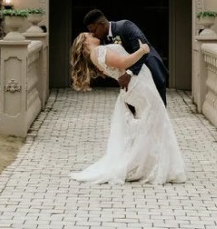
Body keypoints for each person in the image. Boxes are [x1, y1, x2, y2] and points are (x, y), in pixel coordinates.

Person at [69, 32, 186, 185]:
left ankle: (149, 164)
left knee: (151, 124)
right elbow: (123, 63)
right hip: (138, 86)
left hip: (136, 85)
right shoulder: (98, 52)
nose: (92, 34)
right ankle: (152, 166)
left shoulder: (96, 54)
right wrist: (142, 50)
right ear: (85, 42)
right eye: (89, 34)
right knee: (156, 121)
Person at [83, 9, 168, 106]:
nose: (94, 34)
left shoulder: (125, 26)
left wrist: (129, 73)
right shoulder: (102, 41)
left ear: (102, 24)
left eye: (93, 30)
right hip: (132, 82)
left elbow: (144, 48)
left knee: (157, 107)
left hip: (150, 68)